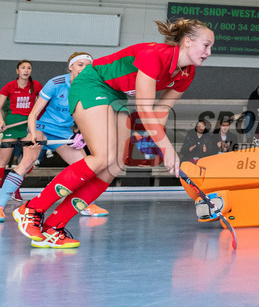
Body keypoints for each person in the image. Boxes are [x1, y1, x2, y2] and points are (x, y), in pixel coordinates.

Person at [13, 18, 214, 248]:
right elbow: (144, 109)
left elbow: (162, 110)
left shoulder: (187, 73)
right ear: (187, 42)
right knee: (103, 156)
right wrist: (168, 150)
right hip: (92, 83)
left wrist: (154, 141)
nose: (209, 52)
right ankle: (32, 208)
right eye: (206, 45)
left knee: (115, 165)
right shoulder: (155, 55)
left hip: (116, 94)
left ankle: (54, 226)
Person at [1, 53, 110, 221]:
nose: (84, 69)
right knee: (27, 162)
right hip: (41, 127)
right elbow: (33, 114)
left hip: (64, 132)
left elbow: (87, 117)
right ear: (71, 66)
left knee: (86, 166)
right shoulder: (56, 83)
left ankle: (86, 205)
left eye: (88, 66)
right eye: (80, 65)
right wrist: (33, 134)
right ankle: (0, 205)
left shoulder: (90, 88)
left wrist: (81, 134)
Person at [0, 60, 42, 221]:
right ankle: (1, 190)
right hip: (11, 124)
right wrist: (1, 121)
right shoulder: (9, 86)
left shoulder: (36, 85)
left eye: (29, 68)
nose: (26, 70)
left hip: (28, 125)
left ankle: (14, 189)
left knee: (28, 160)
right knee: (3, 160)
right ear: (17, 71)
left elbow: (44, 102)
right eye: (23, 67)